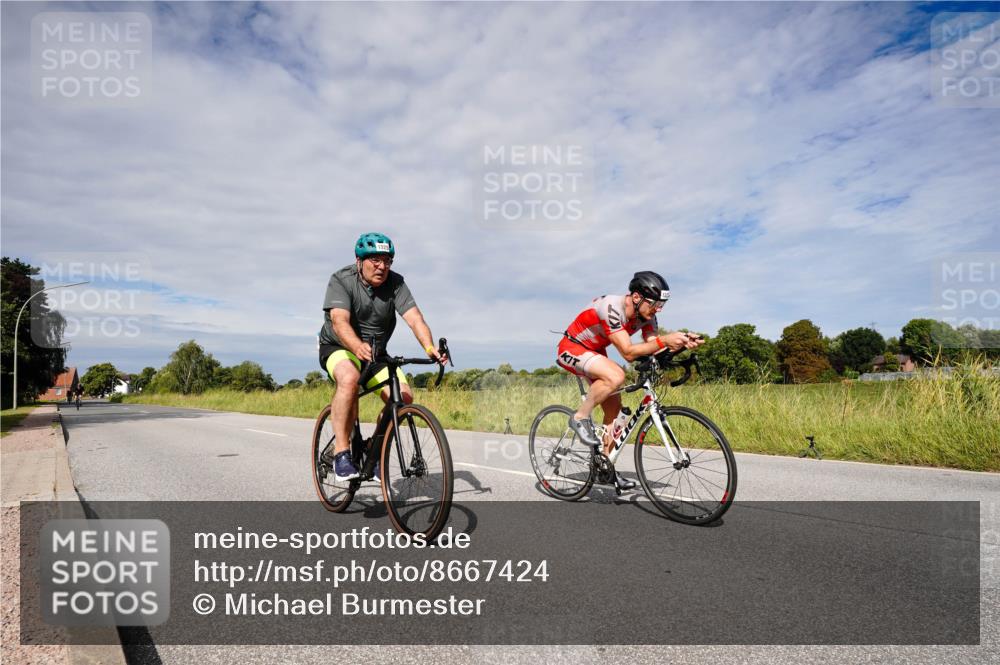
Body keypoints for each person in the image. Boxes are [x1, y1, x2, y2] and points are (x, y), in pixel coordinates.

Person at [556, 271, 704, 488]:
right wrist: (665, 340)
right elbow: (627, 352)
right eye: (655, 303)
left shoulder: (648, 316)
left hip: (596, 352)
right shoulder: (611, 308)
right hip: (572, 347)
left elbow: (653, 345)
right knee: (617, 375)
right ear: (636, 297)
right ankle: (579, 417)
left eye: (662, 304)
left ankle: (604, 468)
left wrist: (679, 342)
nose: (658, 309)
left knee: (615, 412)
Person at [318, 232, 447, 481]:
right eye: (375, 260)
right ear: (359, 261)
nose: (382, 266)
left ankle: (373, 449)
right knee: (349, 377)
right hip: (338, 346)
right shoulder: (341, 279)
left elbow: (415, 318)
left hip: (375, 353)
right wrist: (355, 345)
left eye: (387, 261)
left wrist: (430, 348)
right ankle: (342, 453)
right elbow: (339, 321)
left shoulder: (396, 283)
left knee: (403, 397)